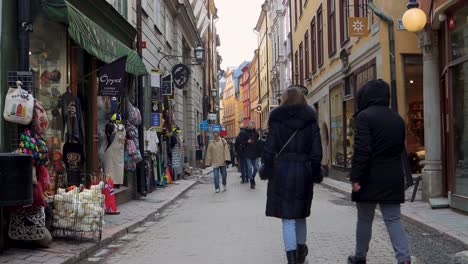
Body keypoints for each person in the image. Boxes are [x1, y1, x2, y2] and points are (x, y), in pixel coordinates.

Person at [347, 80, 411, 264]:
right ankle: (404, 259)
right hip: (392, 175)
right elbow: (399, 147)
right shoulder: (397, 118)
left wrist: (356, 176)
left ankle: (360, 257)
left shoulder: (364, 117)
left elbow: (362, 149)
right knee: (393, 220)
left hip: (369, 176)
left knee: (365, 219)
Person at [261, 86, 322, 264]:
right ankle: (301, 249)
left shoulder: (276, 120)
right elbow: (317, 153)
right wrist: (316, 172)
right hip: (303, 171)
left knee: (288, 218)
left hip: (282, 171)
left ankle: (292, 258)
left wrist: (268, 168)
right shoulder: (311, 120)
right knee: (300, 214)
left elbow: (269, 149)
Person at [236, 121, 261, 189]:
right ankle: (251, 182)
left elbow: (257, 142)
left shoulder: (256, 133)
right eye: (251, 125)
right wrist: (247, 142)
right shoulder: (244, 133)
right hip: (247, 153)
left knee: (256, 168)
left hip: (255, 153)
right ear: (249, 125)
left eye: (254, 125)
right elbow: (241, 142)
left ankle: (252, 177)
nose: (253, 126)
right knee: (249, 167)